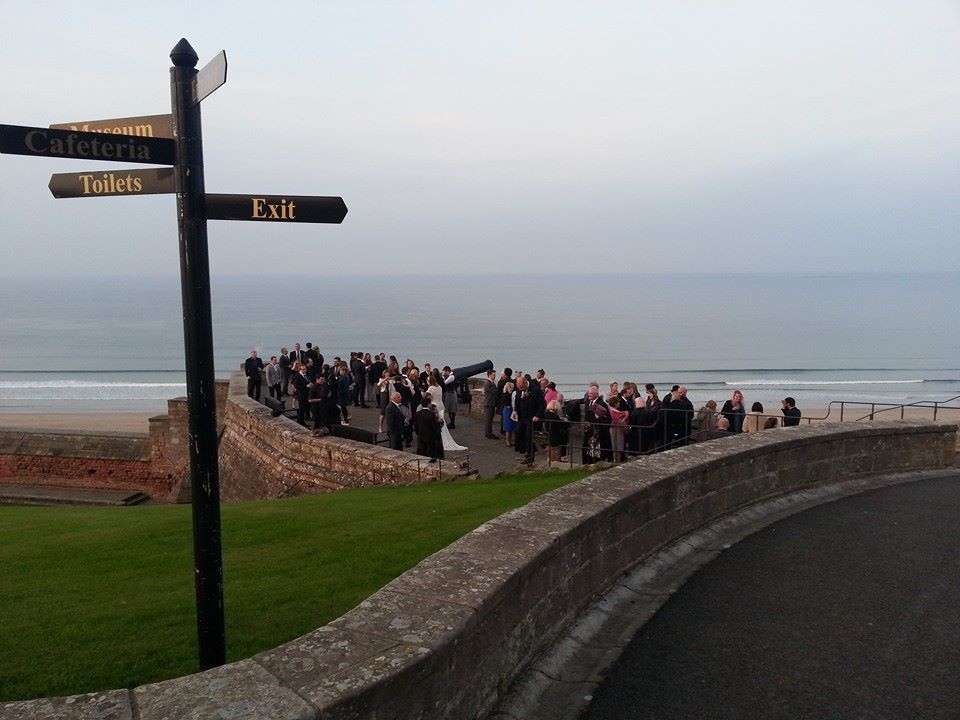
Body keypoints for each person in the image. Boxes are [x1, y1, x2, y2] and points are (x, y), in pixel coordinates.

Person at [414, 396, 443, 461]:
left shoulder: (417, 414)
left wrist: (418, 433)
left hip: (421, 436)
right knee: (431, 454)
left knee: (422, 454)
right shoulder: (431, 414)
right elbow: (435, 427)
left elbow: (415, 426)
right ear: (428, 404)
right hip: (430, 437)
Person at [289, 361, 309, 426]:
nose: (305, 370)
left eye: (305, 369)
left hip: (306, 394)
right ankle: (301, 422)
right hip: (301, 394)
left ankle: (301, 421)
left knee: (304, 408)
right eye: (303, 369)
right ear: (299, 370)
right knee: (302, 409)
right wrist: (306, 386)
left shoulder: (305, 375)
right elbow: (296, 386)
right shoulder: (297, 376)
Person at [482, 369, 499, 439]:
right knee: (488, 420)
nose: (495, 376)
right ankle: (488, 434)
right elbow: (494, 392)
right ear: (489, 375)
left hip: (490, 404)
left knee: (489, 420)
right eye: (493, 375)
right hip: (488, 404)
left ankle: (489, 433)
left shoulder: (491, 383)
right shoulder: (488, 383)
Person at [501, 381, 517, 447]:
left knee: (511, 426)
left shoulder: (507, 393)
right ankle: (508, 441)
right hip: (508, 410)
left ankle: (509, 440)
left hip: (509, 410)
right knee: (508, 427)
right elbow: (508, 404)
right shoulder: (506, 395)